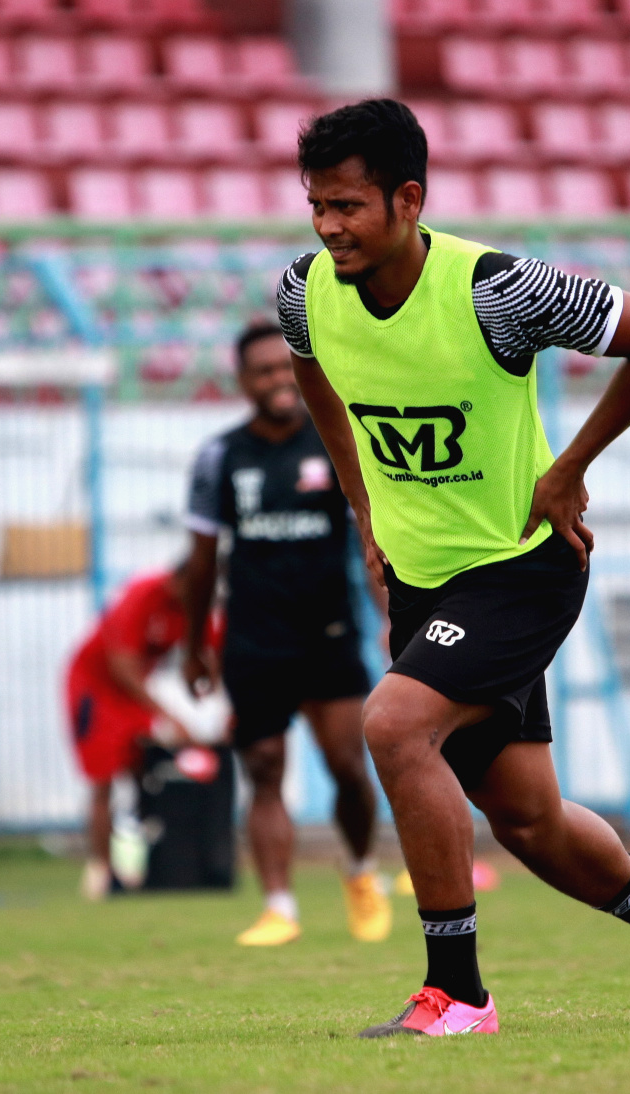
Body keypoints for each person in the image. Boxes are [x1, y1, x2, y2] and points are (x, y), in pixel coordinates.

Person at [279, 99, 630, 1037]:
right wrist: (367, 514)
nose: (327, 226)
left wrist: (569, 468)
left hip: (521, 570)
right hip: (423, 579)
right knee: (529, 820)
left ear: (408, 200)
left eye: (348, 206)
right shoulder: (302, 292)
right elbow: (313, 373)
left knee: (396, 727)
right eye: (316, 204)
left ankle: (459, 995)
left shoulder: (496, 289)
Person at [180, 321, 392, 947]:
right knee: (264, 766)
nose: (277, 380)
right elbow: (200, 560)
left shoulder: (334, 441)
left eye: (285, 368)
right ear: (244, 382)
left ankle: (359, 873)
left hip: (328, 632)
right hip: (254, 637)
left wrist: (387, 618)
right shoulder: (220, 457)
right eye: (263, 371)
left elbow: (367, 539)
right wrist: (196, 645)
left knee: (349, 766)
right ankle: (279, 907)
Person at [64, 560, 214, 901]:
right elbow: (121, 666)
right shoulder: (142, 593)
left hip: (132, 691)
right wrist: (168, 715)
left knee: (146, 771)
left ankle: (143, 866)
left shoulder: (192, 608)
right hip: (95, 688)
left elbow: (210, 651)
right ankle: (100, 870)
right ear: (178, 582)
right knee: (103, 779)